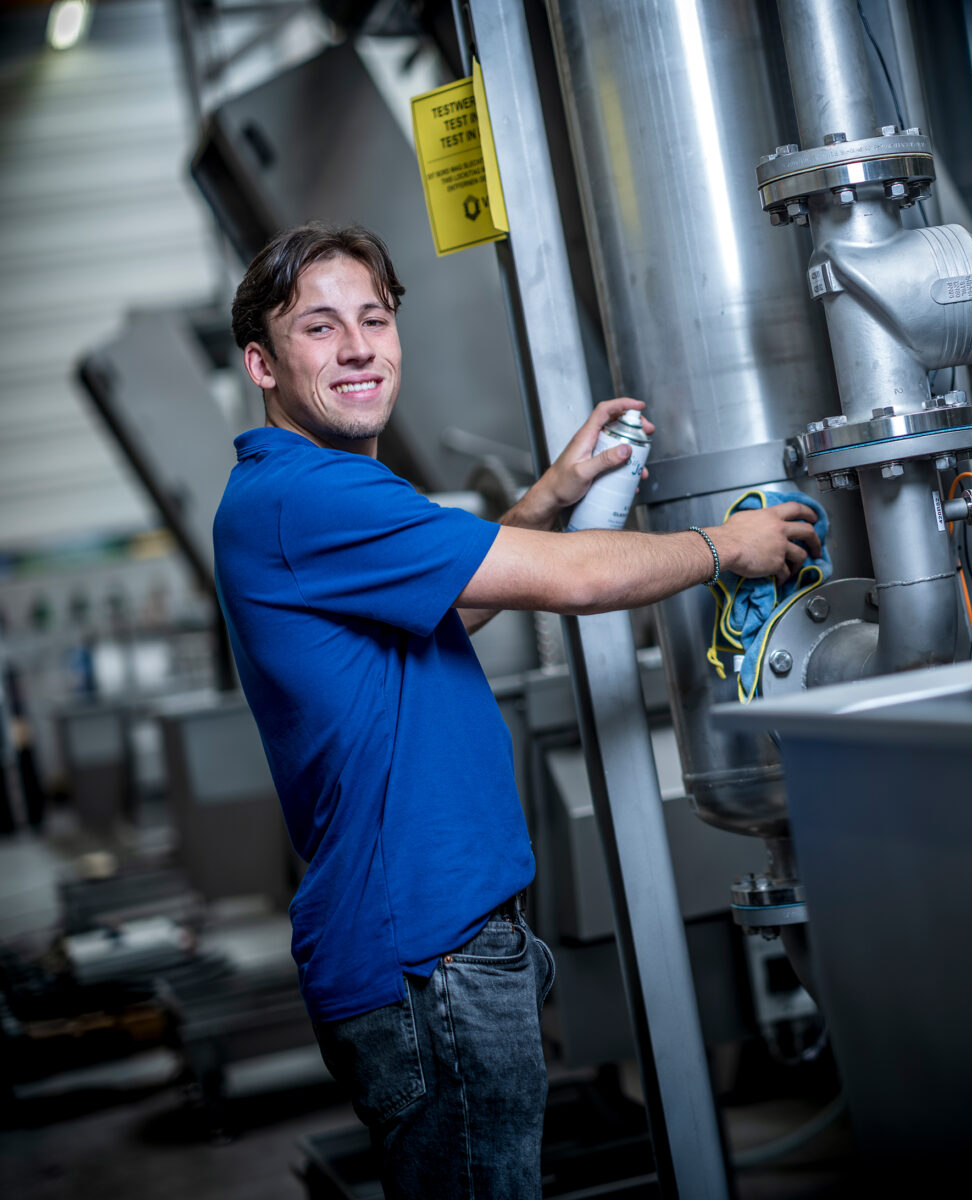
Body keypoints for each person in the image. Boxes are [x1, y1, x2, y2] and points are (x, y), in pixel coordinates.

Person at [213, 222, 819, 1199]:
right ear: (262, 363)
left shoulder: (311, 492)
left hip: (438, 941)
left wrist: (549, 493)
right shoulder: (306, 496)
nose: (360, 346)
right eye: (320, 328)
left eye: (374, 317)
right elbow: (570, 585)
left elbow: (459, 599)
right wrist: (723, 546)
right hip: (426, 954)